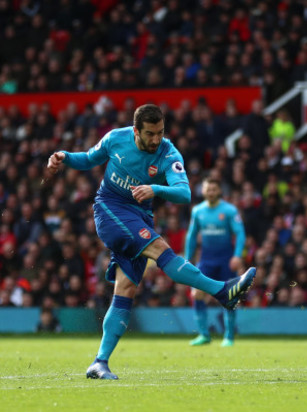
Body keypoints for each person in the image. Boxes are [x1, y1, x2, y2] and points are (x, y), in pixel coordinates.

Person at [46, 104, 257, 380]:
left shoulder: (169, 153)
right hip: (110, 209)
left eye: (160, 132)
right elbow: (88, 159)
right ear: (136, 131)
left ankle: (100, 362)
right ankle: (222, 292)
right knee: (160, 249)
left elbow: (184, 193)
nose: (156, 139)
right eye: (149, 134)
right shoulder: (115, 138)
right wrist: (64, 156)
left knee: (125, 290)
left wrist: (155, 188)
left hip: (140, 217)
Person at [185, 177, 246, 347]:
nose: (210, 192)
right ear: (203, 191)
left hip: (226, 260)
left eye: (213, 189)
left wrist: (237, 255)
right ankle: (204, 334)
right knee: (197, 293)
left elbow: (240, 233)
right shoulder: (198, 211)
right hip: (206, 260)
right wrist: (187, 259)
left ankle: (229, 336)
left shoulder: (229, 211)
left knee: (230, 297)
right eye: (207, 189)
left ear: (219, 191)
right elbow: (191, 236)